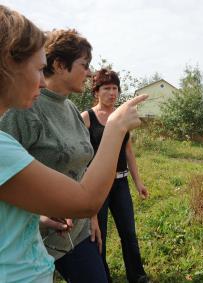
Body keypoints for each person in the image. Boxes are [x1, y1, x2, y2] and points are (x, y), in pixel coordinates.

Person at [0, 8, 147, 281]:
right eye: (37, 68)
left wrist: (88, 218)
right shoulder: (20, 113)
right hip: (32, 247)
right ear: (58, 65)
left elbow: (81, 175)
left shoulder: (68, 109)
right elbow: (85, 198)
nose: (41, 81)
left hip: (71, 231)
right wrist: (115, 126)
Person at [81, 68, 149, 283]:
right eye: (106, 88)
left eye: (115, 88)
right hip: (97, 185)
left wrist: (138, 182)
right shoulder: (87, 118)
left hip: (120, 182)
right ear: (96, 92)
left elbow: (128, 150)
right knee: (98, 235)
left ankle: (137, 277)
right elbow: (82, 156)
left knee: (128, 232)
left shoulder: (121, 116)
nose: (112, 93)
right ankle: (103, 277)